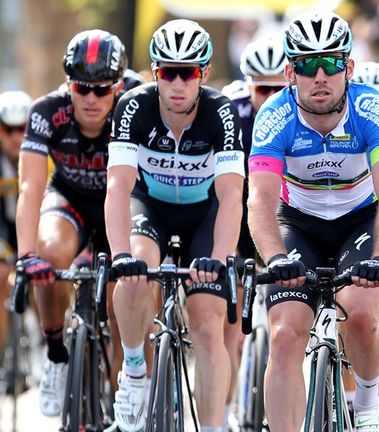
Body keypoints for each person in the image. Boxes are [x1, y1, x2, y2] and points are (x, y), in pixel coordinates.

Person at [247, 10, 379, 431]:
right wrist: (275, 258)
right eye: (307, 65)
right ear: (290, 73)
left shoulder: (373, 109)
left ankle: (367, 404)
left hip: (359, 221)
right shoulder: (274, 116)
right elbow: (260, 199)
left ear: (348, 67)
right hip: (298, 223)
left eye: (331, 63)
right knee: (284, 334)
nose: (320, 76)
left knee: (361, 313)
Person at [105, 19, 245, 432]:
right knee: (134, 275)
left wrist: (219, 258)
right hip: (150, 206)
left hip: (204, 213)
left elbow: (232, 195)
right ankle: (134, 370)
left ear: (204, 73)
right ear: (155, 72)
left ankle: (213, 426)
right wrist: (120, 256)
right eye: (169, 72)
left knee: (207, 325)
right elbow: (118, 186)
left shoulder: (221, 111)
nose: (179, 83)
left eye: (189, 72)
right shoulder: (133, 106)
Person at [15, 29, 127, 417]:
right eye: (82, 88)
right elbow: (30, 187)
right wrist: (27, 255)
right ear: (68, 84)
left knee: (122, 299)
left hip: (120, 204)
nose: (91, 98)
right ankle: (55, 352)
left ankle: (125, 387)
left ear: (119, 85)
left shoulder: (135, 105)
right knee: (49, 254)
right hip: (70, 200)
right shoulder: (46, 111)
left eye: (102, 89)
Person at [221, 33, 288, 426]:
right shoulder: (231, 111)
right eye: (262, 89)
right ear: (248, 86)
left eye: (278, 89)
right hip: (242, 208)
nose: (271, 97)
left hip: (289, 211)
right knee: (231, 320)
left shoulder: (302, 111)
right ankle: (226, 408)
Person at [0, 90, 32, 360]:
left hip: (32, 226)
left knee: (43, 275)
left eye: (22, 128)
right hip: (3, 229)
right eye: (7, 129)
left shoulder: (42, 155)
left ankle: (45, 343)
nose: (14, 136)